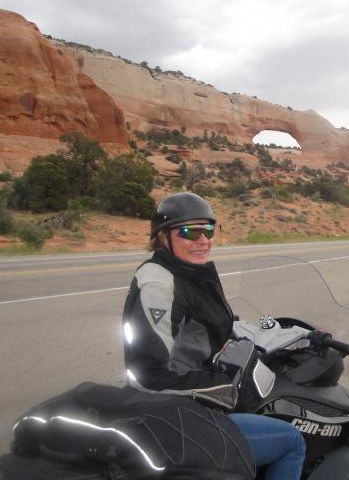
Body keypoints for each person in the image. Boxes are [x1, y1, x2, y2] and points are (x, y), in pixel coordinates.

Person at [122, 192, 306, 480]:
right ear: (162, 236)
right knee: (292, 441)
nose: (203, 240)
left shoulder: (189, 271)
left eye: (208, 230)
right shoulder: (160, 283)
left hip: (186, 403)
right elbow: (149, 375)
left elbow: (209, 326)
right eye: (190, 231)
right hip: (174, 415)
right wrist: (223, 386)